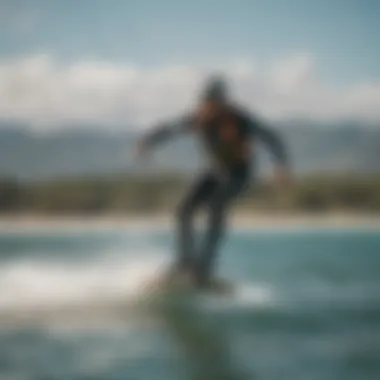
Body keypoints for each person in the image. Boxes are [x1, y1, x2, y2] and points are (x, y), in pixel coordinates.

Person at [136, 76, 291, 288]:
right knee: (183, 210)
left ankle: (204, 267)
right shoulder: (198, 117)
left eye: (215, 103)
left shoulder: (239, 119)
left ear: (223, 102)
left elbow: (271, 137)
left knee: (216, 206)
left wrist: (281, 165)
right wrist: (148, 141)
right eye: (207, 103)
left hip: (240, 174)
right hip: (215, 172)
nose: (210, 107)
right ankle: (185, 262)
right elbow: (170, 129)